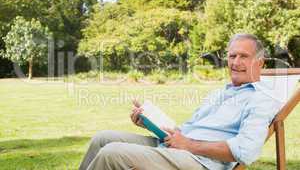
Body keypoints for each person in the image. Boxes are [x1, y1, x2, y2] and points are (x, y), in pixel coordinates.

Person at [79, 33, 282, 170]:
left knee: (112, 153)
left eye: (244, 56)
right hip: (178, 147)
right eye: (232, 56)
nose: (236, 63)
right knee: (103, 138)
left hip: (200, 162)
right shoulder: (221, 93)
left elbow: (245, 151)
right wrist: (151, 122)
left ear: (259, 62)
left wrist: (188, 145)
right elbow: (188, 131)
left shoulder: (261, 100)